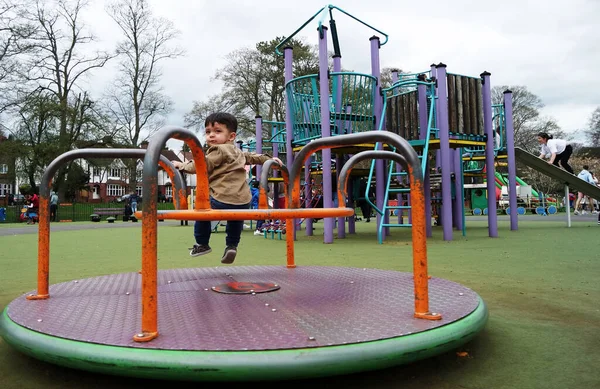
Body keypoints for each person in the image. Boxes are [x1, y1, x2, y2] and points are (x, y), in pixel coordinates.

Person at [171, 112, 282, 264]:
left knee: (202, 213)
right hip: (243, 201)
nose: (211, 136)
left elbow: (200, 165)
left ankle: (202, 244)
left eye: (217, 131)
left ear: (231, 136)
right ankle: (231, 246)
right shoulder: (239, 152)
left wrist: (181, 165)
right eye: (208, 132)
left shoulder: (217, 150)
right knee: (235, 221)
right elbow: (254, 157)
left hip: (220, 198)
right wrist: (270, 159)